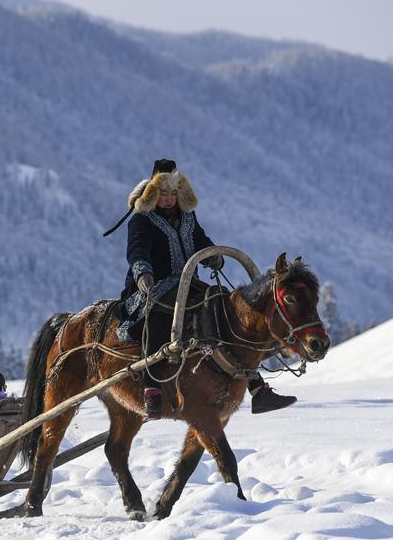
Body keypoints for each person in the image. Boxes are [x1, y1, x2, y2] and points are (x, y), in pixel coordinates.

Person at [116, 159, 296, 419]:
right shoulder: (142, 220)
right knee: (158, 319)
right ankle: (151, 390)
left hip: (189, 284)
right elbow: (137, 250)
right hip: (154, 287)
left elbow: (201, 240)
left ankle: (258, 389)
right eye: (163, 194)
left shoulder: (188, 217)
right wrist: (143, 272)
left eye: (173, 194)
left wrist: (213, 255)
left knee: (225, 310)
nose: (168, 199)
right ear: (154, 194)